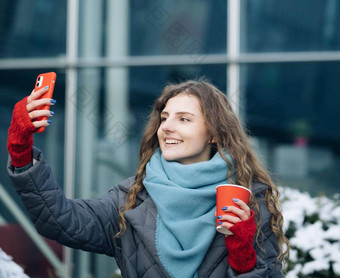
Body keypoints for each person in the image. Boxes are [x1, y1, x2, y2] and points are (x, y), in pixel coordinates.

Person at [7, 78, 289, 277]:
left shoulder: (248, 200)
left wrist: (244, 256)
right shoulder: (131, 198)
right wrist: (21, 151)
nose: (166, 127)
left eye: (184, 119)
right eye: (164, 117)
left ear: (214, 133)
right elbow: (60, 220)